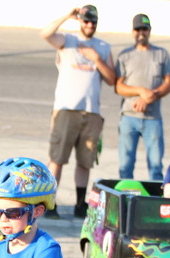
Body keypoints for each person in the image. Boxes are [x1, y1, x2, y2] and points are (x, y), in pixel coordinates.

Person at [40, 5, 115, 219]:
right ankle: (50, 203)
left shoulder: (103, 46)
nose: (89, 25)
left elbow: (112, 79)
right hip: (66, 109)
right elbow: (45, 34)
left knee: (85, 160)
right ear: (80, 21)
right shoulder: (67, 41)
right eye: (85, 21)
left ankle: (80, 204)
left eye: (93, 21)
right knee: (57, 158)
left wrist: (96, 59)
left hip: (91, 112)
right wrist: (66, 16)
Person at [115, 13, 170, 182]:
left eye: (144, 29)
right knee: (126, 165)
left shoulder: (161, 54)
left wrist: (149, 97)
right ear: (133, 31)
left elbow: (169, 83)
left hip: (152, 118)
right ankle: (125, 201)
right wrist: (140, 91)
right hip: (129, 117)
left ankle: (155, 201)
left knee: (155, 165)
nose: (141, 32)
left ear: (149, 30)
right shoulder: (125, 55)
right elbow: (118, 87)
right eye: (138, 29)